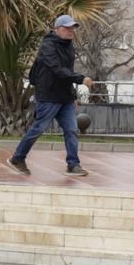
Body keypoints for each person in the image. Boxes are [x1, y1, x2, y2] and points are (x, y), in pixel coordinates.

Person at [9, 13, 90, 177]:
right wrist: (81, 79)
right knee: (38, 128)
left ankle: (73, 165)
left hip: (65, 97)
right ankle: (17, 158)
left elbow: (67, 72)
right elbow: (57, 70)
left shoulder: (69, 46)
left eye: (72, 28)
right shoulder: (48, 46)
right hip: (48, 96)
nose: (71, 31)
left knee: (72, 130)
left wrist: (73, 95)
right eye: (67, 28)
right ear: (57, 29)